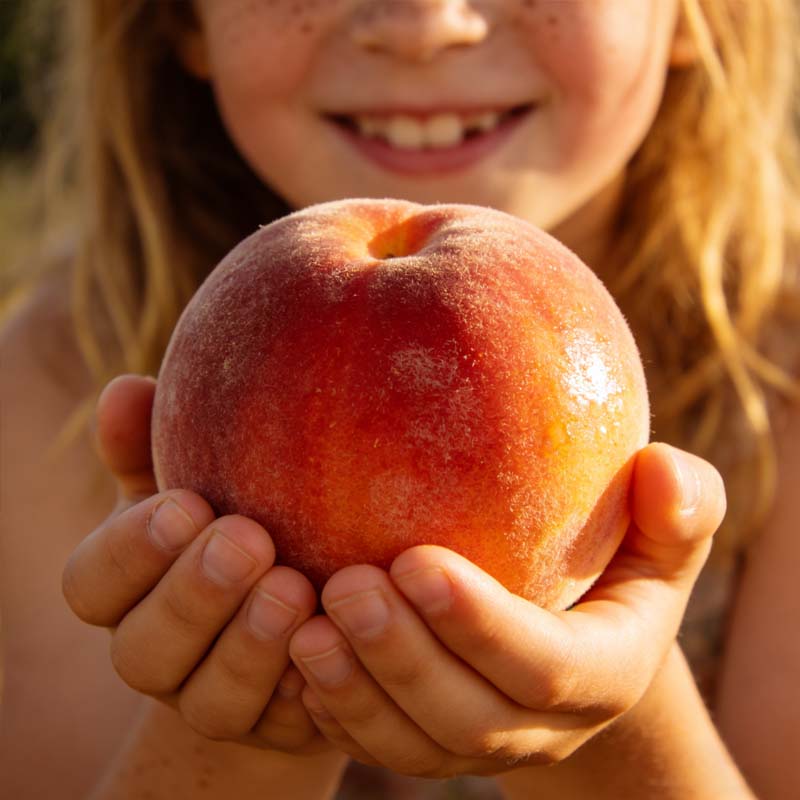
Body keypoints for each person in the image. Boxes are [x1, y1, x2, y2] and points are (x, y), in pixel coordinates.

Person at [2, 1, 799, 798]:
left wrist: (608, 721)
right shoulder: (51, 381)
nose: (424, 26)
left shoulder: (784, 387)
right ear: (179, 20)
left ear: (708, 14)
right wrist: (245, 712)